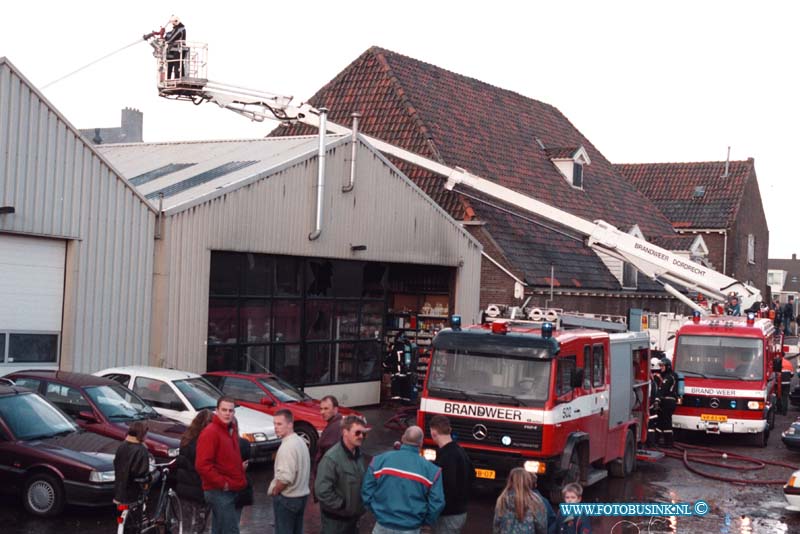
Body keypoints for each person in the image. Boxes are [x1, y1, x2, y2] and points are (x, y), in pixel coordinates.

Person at [361, 425, 445, 534]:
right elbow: (437, 503)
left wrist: (377, 511)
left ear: (402, 439)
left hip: (382, 524)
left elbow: (366, 490)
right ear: (421, 443)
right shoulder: (432, 471)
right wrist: (425, 522)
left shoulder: (378, 461)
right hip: (411, 527)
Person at [196, 396, 247, 534]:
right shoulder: (210, 432)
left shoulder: (231, 430)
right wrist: (222, 483)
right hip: (219, 490)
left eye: (230, 410)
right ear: (217, 411)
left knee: (220, 530)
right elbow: (202, 465)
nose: (227, 413)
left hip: (230, 489)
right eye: (224, 410)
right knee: (230, 530)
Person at [315, 415, 370, 534]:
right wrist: (343, 505)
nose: (361, 436)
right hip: (336, 524)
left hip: (353, 521)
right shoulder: (331, 458)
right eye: (358, 433)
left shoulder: (358, 455)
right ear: (345, 432)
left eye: (364, 433)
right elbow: (322, 491)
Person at [428, 415, 473, 534]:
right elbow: (471, 478)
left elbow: (445, 487)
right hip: (461, 511)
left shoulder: (445, 456)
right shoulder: (461, 451)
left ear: (433, 433)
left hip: (448, 514)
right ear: (449, 430)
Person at [269, 409, 311, 534]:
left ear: (290, 424)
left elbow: (285, 478)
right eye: (274, 424)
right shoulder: (300, 441)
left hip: (288, 498)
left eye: (279, 424)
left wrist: (276, 490)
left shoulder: (287, 447)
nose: (276, 427)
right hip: (301, 497)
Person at [176, 410, 214, 534]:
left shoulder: (186, 439)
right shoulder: (205, 443)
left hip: (184, 489)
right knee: (200, 525)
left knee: (186, 524)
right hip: (200, 490)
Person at [492, 468, 548, 534]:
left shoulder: (502, 499)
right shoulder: (535, 501)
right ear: (528, 480)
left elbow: (496, 524)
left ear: (510, 481)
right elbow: (541, 527)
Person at [113, 421, 151, 505]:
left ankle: (121, 518)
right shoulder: (141, 450)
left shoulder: (122, 445)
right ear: (142, 434)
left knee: (121, 512)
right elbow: (141, 473)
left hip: (120, 487)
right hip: (133, 490)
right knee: (135, 513)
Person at [656, 358, 678, 448]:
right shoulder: (671, 376)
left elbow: (663, 390)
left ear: (668, 366)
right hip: (669, 401)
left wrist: (657, 399)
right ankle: (658, 440)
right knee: (662, 420)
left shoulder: (668, 377)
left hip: (668, 402)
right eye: (660, 366)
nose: (661, 368)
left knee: (666, 421)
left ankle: (668, 443)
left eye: (662, 366)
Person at [646, 357, 662, 448]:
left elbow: (651, 392)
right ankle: (652, 442)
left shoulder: (652, 379)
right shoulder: (657, 378)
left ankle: (650, 443)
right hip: (654, 405)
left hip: (651, 405)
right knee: (652, 425)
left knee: (650, 426)